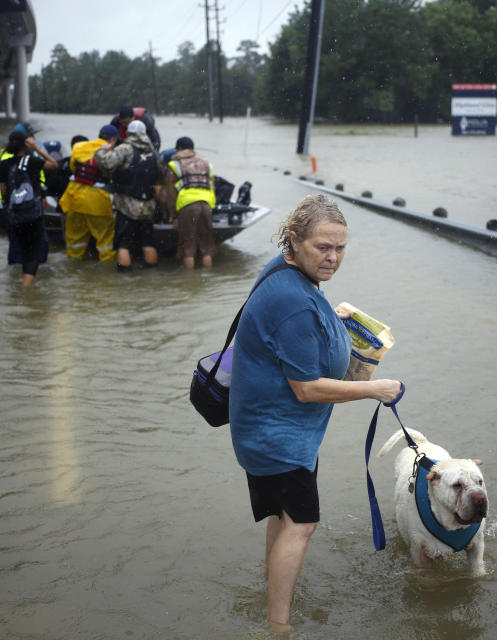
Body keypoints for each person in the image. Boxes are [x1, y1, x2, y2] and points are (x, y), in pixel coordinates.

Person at [228, 195, 402, 633]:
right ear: (294, 240)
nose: (332, 258)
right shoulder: (293, 302)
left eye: (340, 248)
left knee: (283, 517)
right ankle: (279, 626)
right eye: (322, 247)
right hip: (278, 436)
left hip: (266, 428)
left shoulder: (285, 271)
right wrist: (372, 390)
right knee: (302, 524)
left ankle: (273, 591)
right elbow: (306, 389)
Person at [94, 120, 165, 271]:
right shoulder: (153, 152)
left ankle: (125, 277)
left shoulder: (125, 149)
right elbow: (161, 175)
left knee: (123, 243)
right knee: (147, 241)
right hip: (148, 204)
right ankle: (152, 272)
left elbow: (106, 163)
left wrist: (102, 149)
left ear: (127, 133)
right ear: (145, 133)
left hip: (126, 203)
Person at [0, 130, 58, 287]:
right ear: (26, 144)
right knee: (33, 254)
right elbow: (54, 164)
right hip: (32, 215)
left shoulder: (4, 164)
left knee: (21, 249)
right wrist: (36, 148)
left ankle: (18, 282)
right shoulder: (31, 161)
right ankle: (26, 289)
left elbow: (3, 191)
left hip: (14, 215)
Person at [58, 126, 117, 263]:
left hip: (74, 197)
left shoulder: (80, 147)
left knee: (74, 240)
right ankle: (108, 272)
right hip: (97, 201)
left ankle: (74, 266)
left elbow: (73, 168)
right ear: (113, 139)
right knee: (106, 240)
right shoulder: (110, 152)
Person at [160, 136, 216, 269]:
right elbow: (213, 186)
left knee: (188, 248)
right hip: (206, 205)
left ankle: (189, 282)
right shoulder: (207, 163)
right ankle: (208, 279)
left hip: (188, 206)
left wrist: (174, 215)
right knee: (206, 246)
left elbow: (171, 194)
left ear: (178, 149)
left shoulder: (174, 164)